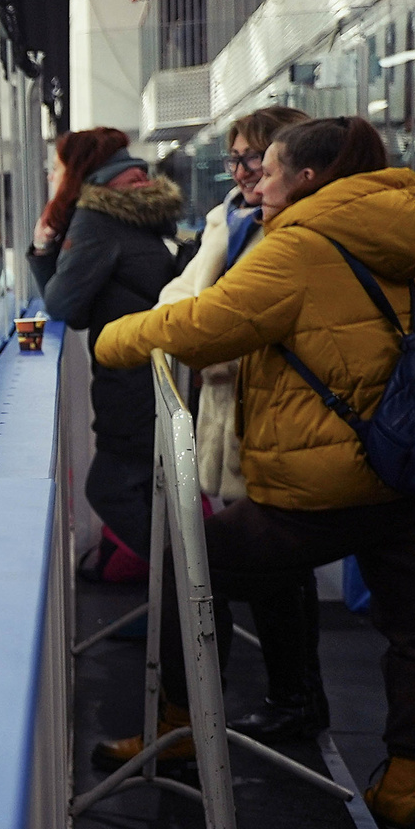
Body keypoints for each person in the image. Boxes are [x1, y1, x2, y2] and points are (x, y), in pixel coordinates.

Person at [93, 116, 415, 829]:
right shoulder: (402, 223)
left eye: (266, 170)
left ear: (307, 178)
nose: (254, 184)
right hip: (407, 467)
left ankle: (177, 731)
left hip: (328, 480)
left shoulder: (302, 245)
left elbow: (202, 324)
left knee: (194, 566)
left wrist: (115, 337)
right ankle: (410, 784)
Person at [148, 104, 321, 741]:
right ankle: (293, 697)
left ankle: (201, 720)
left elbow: (206, 315)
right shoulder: (235, 220)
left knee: (249, 564)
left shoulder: (285, 234)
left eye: (256, 157)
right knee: (276, 572)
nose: (245, 171)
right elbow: (185, 301)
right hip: (247, 413)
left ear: (292, 163)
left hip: (280, 420)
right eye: (237, 158)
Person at [29, 128, 184, 618]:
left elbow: (64, 305)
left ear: (74, 168)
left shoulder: (98, 216)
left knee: (111, 489)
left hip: (130, 376)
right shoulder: (143, 203)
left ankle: (195, 594)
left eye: (57, 168)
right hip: (162, 371)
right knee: (149, 491)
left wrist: (41, 249)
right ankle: (178, 604)